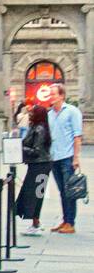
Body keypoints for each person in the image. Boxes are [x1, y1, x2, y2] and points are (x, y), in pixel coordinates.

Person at [47, 83, 83, 234]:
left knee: (69, 191)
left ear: (61, 96)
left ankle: (70, 222)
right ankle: (65, 220)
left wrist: (76, 157)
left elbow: (77, 136)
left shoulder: (72, 112)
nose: (51, 97)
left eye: (54, 94)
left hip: (67, 157)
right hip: (54, 157)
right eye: (50, 94)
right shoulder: (50, 114)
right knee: (62, 191)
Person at [17, 102, 52, 236]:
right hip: (38, 164)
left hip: (40, 165)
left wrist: (21, 148)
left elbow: (36, 150)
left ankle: (36, 222)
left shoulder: (39, 129)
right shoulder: (36, 127)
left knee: (36, 194)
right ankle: (35, 222)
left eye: (32, 112)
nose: (30, 114)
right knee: (35, 193)